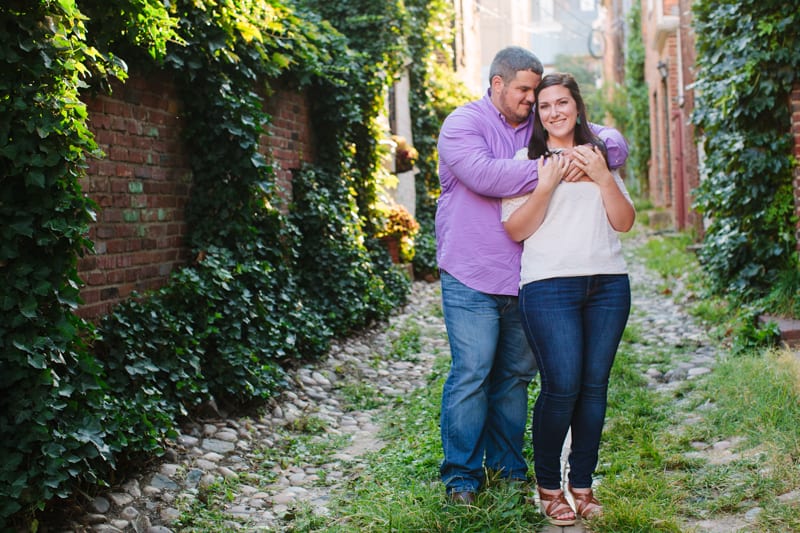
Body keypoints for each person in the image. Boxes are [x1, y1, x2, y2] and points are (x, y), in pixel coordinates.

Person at [436, 47, 629, 505]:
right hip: (473, 272)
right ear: (498, 84)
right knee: (473, 373)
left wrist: (595, 158)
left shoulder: (536, 125)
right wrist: (559, 168)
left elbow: (611, 142)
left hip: (522, 276)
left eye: (538, 92)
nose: (533, 99)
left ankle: (508, 471)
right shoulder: (464, 124)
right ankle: (461, 478)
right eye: (526, 90)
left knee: (515, 378)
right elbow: (485, 175)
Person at [501, 72, 635, 525]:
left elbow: (624, 222)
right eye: (544, 106)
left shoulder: (602, 156)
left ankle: (582, 483)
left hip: (607, 284)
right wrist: (545, 185)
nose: (555, 112)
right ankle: (548, 487)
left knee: (594, 388)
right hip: (548, 286)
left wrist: (602, 177)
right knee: (562, 387)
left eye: (562, 102)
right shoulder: (525, 160)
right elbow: (516, 230)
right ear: (537, 115)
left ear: (577, 106)